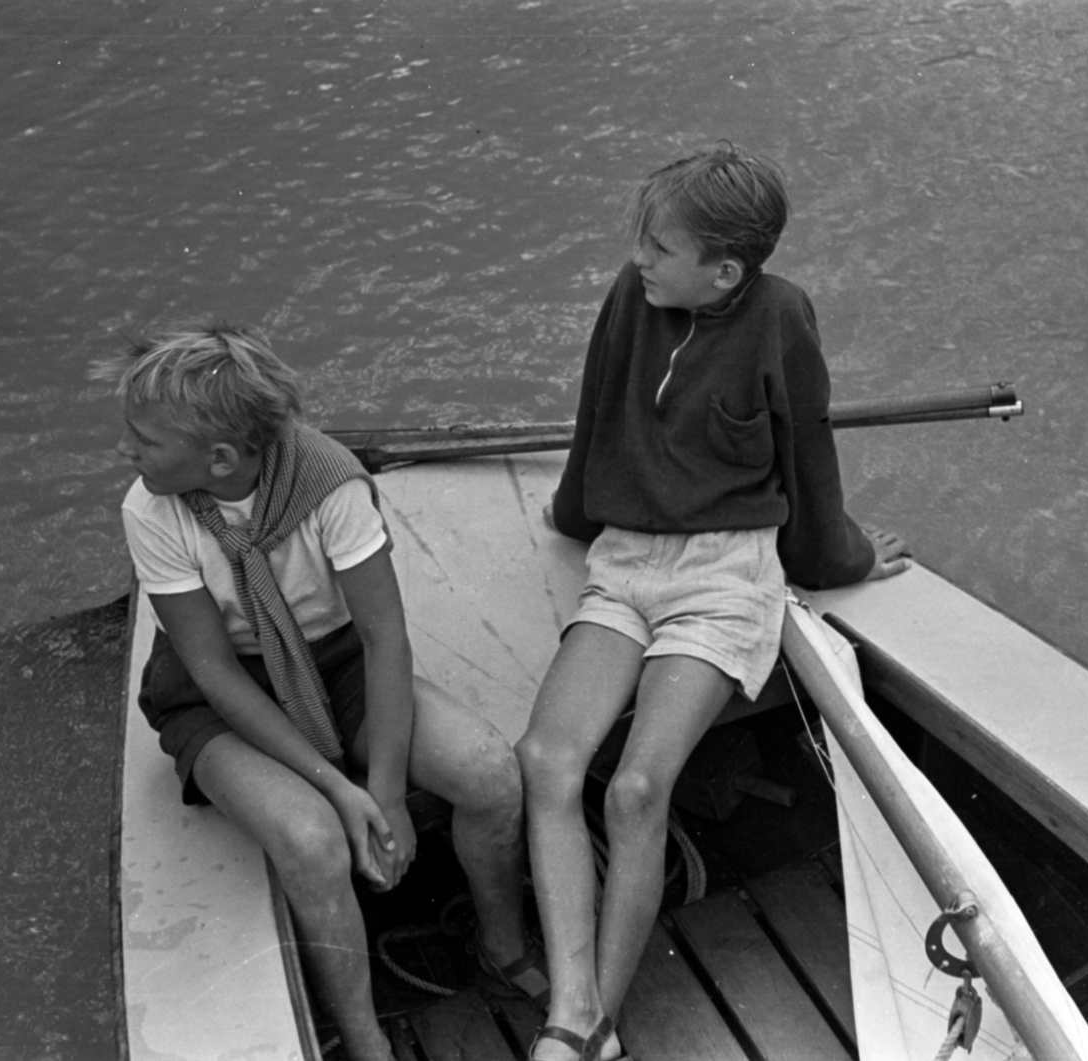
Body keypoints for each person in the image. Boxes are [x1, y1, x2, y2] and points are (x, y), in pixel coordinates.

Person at [515, 144, 912, 1061]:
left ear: (724, 270)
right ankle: (577, 1015)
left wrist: (840, 556)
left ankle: (582, 1027)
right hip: (625, 558)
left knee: (637, 787)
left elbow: (808, 457)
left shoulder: (782, 318)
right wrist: (574, 511)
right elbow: (596, 413)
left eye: (660, 247)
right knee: (545, 759)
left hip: (726, 573)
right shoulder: (631, 296)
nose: (640, 259)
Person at [97, 324, 545, 1061]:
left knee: (490, 774)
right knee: (310, 840)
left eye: (143, 439)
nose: (127, 451)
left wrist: (390, 791)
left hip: (338, 665)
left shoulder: (329, 483)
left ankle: (503, 944)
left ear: (219, 458)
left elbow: (384, 639)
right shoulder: (151, 509)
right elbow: (211, 670)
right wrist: (339, 789)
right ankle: (366, 1039)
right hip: (219, 699)